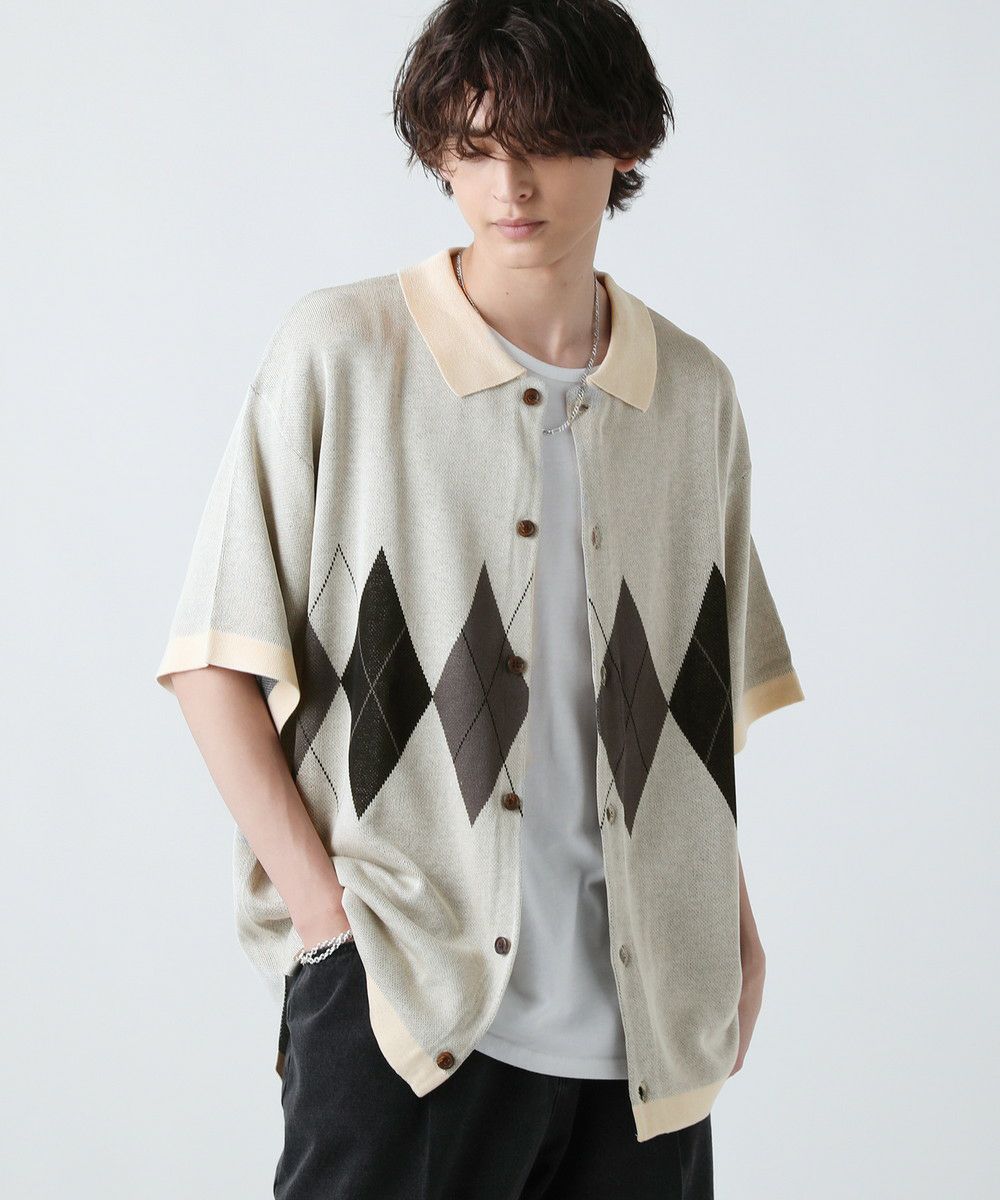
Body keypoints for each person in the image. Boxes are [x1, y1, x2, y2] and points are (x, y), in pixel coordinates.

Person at [154, 2, 805, 1196]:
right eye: (472, 146)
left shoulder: (690, 396)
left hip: (644, 1040)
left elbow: (685, 711)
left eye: (545, 142)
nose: (508, 185)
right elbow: (213, 659)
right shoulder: (346, 351)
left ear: (624, 143)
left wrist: (734, 937)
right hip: (407, 1011)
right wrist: (330, 929)